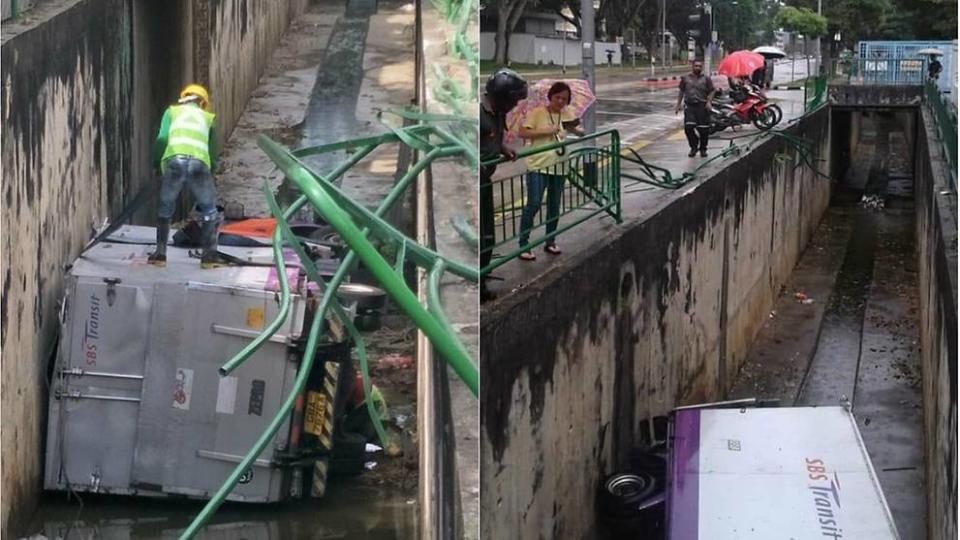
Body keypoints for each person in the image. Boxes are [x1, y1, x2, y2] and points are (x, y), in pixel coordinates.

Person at [149, 84, 222, 268]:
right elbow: (212, 152)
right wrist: (210, 172)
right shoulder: (208, 118)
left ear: (184, 97)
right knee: (209, 210)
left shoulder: (171, 112)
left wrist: (157, 164)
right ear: (202, 103)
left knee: (165, 208)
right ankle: (208, 258)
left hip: (174, 160)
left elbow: (162, 139)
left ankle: (160, 255)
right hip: (199, 162)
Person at [517, 81, 584, 261]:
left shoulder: (566, 114)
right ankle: (523, 244)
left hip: (559, 166)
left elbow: (573, 128)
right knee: (534, 203)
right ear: (550, 97)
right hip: (539, 165)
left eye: (565, 99)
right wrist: (546, 131)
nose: (561, 101)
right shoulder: (537, 113)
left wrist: (578, 131)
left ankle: (550, 241)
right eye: (558, 97)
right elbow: (522, 133)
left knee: (554, 205)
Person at [480, 69, 527, 301]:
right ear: (502, 97)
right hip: (474, 184)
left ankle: (483, 275)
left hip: (485, 181)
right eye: (514, 100)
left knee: (488, 234)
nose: (515, 106)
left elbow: (492, 139)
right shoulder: (478, 114)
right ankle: (477, 285)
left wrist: (503, 149)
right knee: (478, 235)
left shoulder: (498, 113)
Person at [675, 60, 716, 158]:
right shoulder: (685, 78)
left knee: (704, 130)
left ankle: (703, 149)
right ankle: (693, 146)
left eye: (700, 66)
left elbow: (712, 90)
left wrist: (709, 101)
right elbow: (681, 91)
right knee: (688, 128)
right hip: (689, 106)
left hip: (702, 107)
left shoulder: (706, 79)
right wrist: (678, 105)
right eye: (696, 66)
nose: (698, 68)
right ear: (692, 67)